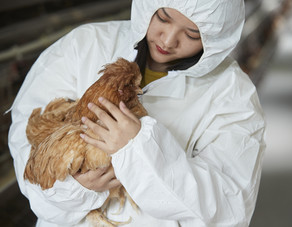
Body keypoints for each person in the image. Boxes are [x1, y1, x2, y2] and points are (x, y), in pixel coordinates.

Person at [8, 0, 266, 226]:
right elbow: (26, 143)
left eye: (192, 34)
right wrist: (75, 188)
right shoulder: (85, 45)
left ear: (214, 37)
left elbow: (227, 210)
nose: (167, 40)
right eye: (163, 17)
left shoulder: (231, 94)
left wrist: (139, 149)